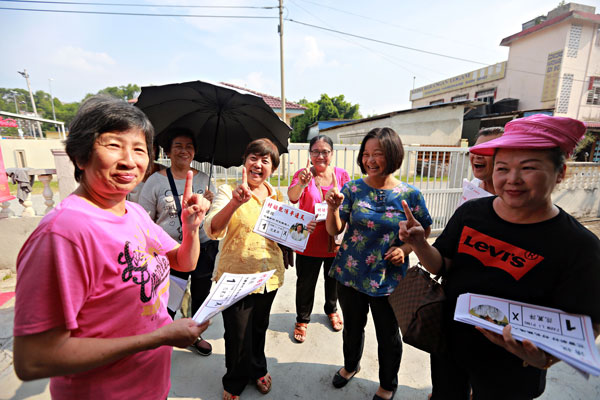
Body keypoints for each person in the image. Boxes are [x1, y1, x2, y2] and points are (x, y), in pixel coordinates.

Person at [12, 95, 210, 400]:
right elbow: (34, 360)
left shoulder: (134, 212)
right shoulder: (63, 234)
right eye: (114, 145)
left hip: (151, 387)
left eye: (139, 149)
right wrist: (157, 338)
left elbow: (184, 263)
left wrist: (192, 228)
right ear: (80, 156)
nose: (129, 160)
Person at [399, 114, 600, 400]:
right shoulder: (472, 213)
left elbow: (586, 324)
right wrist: (419, 244)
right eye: (502, 168)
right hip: (450, 345)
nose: (512, 179)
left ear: (560, 173)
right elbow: (441, 264)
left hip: (513, 369)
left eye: (528, 167)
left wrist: (544, 359)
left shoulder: (579, 246)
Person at [325, 127, 433, 400]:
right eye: (366, 154)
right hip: (350, 273)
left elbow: (425, 230)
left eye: (378, 154)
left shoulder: (410, 194)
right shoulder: (352, 189)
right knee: (352, 327)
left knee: (388, 335)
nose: (370, 160)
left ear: (393, 155)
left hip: (389, 279)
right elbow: (334, 230)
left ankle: (388, 384)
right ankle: (351, 366)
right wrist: (333, 208)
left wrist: (406, 248)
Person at [204, 138, 314, 400]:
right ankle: (234, 380)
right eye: (254, 157)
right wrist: (234, 203)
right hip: (235, 278)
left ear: (272, 169)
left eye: (266, 160)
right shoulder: (227, 191)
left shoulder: (275, 197)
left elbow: (286, 235)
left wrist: (300, 229)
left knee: (259, 327)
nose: (258, 164)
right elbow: (212, 228)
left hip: (269, 276)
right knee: (237, 333)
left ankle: (257, 369)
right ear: (244, 161)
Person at [139, 129, 218, 356]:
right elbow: (145, 221)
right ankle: (162, 338)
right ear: (168, 151)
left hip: (203, 247)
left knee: (201, 294)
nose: (184, 151)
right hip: (170, 252)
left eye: (189, 146)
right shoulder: (154, 181)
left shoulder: (204, 178)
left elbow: (211, 219)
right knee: (168, 299)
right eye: (178, 146)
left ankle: (194, 334)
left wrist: (210, 203)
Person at [288, 134, 350, 343]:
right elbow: (293, 197)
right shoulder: (303, 174)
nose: (320, 156)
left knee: (333, 280)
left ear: (332, 154)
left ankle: (331, 310)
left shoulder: (342, 175)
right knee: (305, 282)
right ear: (310, 154)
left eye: (325, 152)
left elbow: (350, 204)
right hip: (308, 239)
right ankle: (302, 319)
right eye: (316, 151)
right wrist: (303, 184)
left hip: (335, 240)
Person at [469, 127, 503, 195]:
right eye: (476, 149)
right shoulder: (474, 185)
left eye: (486, 150)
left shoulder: (511, 198)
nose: (477, 156)